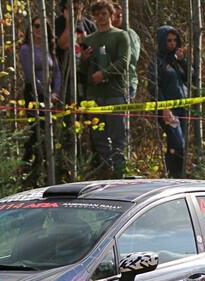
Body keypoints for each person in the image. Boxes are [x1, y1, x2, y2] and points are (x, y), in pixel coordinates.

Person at [79, 0, 130, 178]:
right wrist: (84, 59)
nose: (101, 18)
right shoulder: (89, 39)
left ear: (111, 15)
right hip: (94, 95)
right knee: (99, 137)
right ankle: (106, 171)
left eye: (104, 14)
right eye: (97, 15)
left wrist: (104, 74)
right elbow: (83, 73)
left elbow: (124, 62)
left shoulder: (121, 36)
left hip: (115, 94)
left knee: (118, 137)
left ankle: (120, 174)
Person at [19, 17, 62, 180]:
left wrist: (55, 92)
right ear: (31, 28)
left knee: (48, 131)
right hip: (34, 93)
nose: (39, 30)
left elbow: (57, 71)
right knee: (36, 131)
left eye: (43, 27)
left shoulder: (49, 49)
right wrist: (45, 94)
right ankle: (27, 166)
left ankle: (45, 168)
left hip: (51, 94)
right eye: (36, 26)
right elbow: (30, 75)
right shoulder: (26, 49)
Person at [148, 25, 192, 178]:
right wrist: (164, 108)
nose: (172, 43)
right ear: (162, 41)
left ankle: (175, 177)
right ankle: (174, 176)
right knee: (178, 144)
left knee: (179, 146)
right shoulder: (157, 62)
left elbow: (191, 78)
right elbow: (153, 86)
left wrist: (183, 61)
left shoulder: (178, 60)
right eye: (168, 40)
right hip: (168, 110)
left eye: (175, 40)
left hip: (183, 108)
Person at [55, 0, 97, 69]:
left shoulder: (90, 25)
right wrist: (69, 22)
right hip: (65, 70)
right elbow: (63, 45)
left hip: (85, 70)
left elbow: (98, 48)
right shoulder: (59, 22)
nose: (74, 5)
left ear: (82, 5)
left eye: (77, 2)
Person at [112, 4, 140, 101]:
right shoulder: (107, 34)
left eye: (119, 16)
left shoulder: (130, 34)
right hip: (109, 86)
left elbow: (132, 58)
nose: (115, 19)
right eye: (113, 15)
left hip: (127, 82)